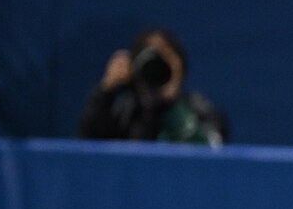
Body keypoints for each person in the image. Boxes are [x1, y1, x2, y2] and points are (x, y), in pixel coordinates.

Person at [77, 29, 227, 147]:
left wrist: (170, 105)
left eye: (165, 56)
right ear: (135, 67)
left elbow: (211, 155)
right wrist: (106, 91)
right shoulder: (123, 113)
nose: (158, 66)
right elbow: (85, 151)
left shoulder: (201, 110)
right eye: (152, 57)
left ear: (180, 64)